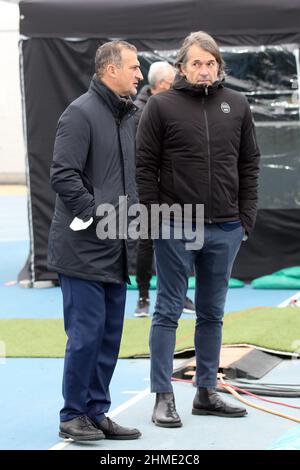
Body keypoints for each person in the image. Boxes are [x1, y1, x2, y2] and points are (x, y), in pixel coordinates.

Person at [136, 31, 260, 427]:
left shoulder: (237, 105)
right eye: (196, 63)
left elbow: (249, 165)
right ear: (181, 68)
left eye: (210, 63)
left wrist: (245, 219)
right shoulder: (161, 107)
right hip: (175, 224)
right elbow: (144, 167)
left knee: (212, 313)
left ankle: (207, 391)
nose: (204, 70)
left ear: (218, 66)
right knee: (168, 311)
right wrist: (156, 219)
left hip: (225, 227)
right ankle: (163, 396)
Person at [48, 40, 143, 441]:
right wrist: (97, 216)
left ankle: (96, 412)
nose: (140, 74)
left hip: (117, 249)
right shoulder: (80, 113)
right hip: (83, 250)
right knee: (86, 336)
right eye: (134, 67)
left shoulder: (127, 117)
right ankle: (73, 414)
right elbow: (63, 175)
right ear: (111, 71)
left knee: (109, 338)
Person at [133, 61, 196, 317]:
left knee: (181, 241)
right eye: (173, 83)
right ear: (161, 85)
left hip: (176, 188)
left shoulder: (179, 107)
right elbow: (140, 155)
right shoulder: (138, 112)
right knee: (147, 243)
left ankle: (179, 295)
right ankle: (143, 298)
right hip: (148, 189)